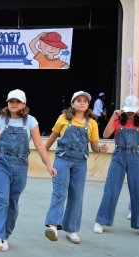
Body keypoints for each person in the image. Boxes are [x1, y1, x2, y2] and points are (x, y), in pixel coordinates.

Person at [0, 89, 56, 252]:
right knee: (0, 199)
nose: (14, 104)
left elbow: (39, 145)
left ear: (24, 104)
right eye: (11, 101)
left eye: (17, 101)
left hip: (20, 165)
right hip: (1, 162)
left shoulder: (31, 121)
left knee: (12, 202)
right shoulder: (1, 120)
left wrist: (49, 165)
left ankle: (5, 235)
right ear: (7, 103)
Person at [44, 91, 108, 244]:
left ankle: (71, 229)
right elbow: (52, 138)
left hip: (80, 163)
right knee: (60, 192)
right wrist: (43, 153)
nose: (82, 103)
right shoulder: (63, 119)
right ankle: (53, 225)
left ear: (88, 105)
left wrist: (100, 148)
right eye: (78, 100)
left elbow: (93, 147)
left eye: (85, 101)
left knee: (77, 196)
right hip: (62, 160)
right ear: (72, 104)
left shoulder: (92, 123)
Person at [93, 95, 139, 239]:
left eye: (133, 110)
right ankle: (101, 221)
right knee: (111, 188)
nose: (130, 113)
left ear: (137, 110)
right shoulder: (117, 120)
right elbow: (105, 133)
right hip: (119, 156)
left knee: (138, 191)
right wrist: (112, 116)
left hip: (136, 156)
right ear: (123, 109)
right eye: (128, 110)